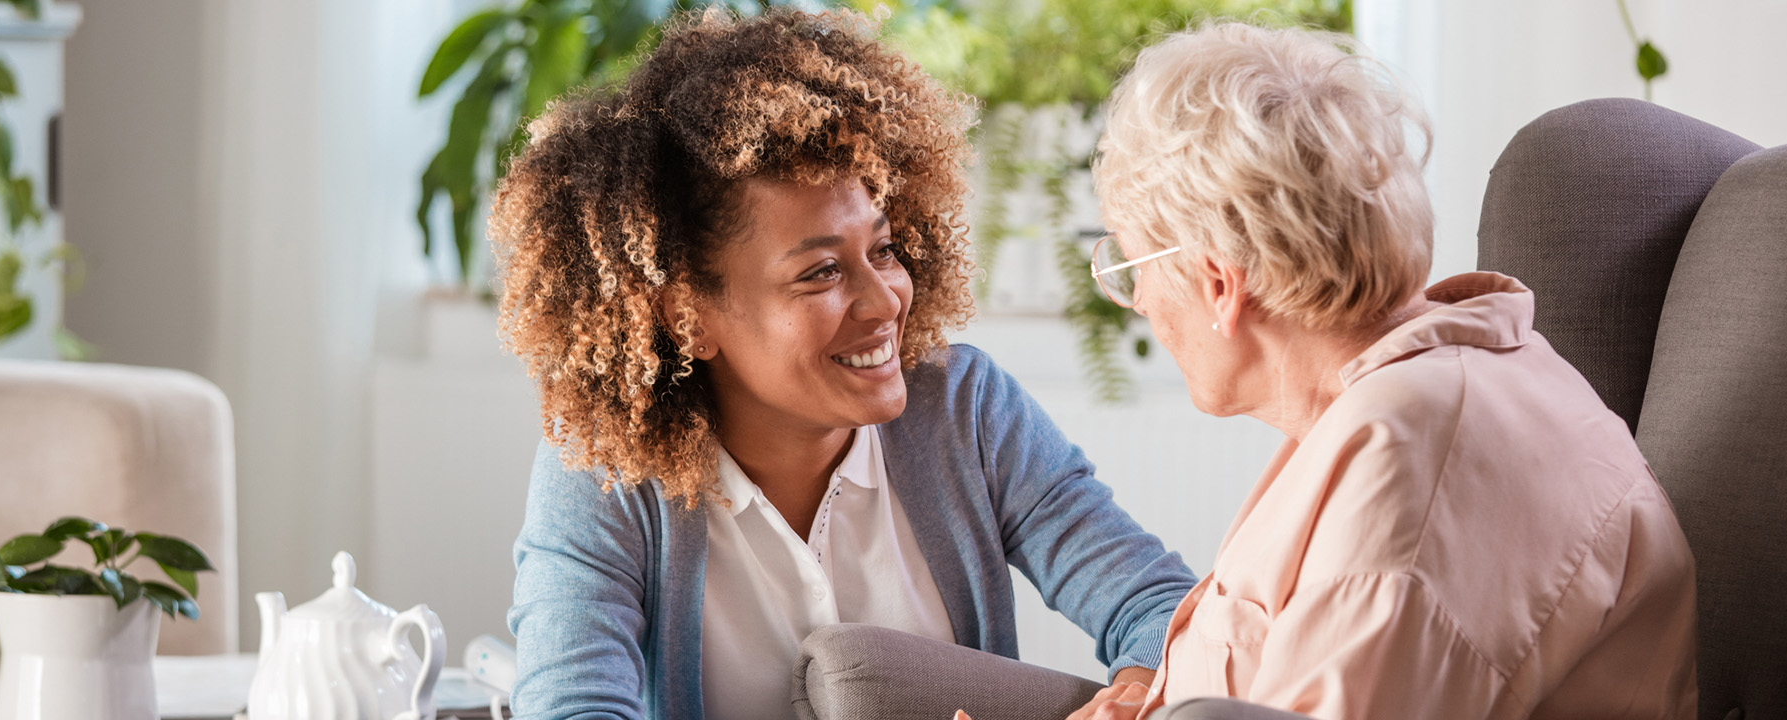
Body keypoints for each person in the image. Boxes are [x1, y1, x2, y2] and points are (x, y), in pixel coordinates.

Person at [490, 8, 1196, 719]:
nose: (885, 300)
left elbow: (1163, 608)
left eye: (883, 251)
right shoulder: (606, 469)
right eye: (821, 272)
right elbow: (570, 707)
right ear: (688, 317)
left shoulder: (965, 410)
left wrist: (1131, 699)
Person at [1067, 20, 1698, 720]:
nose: (1139, 301)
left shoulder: (1410, 458)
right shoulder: (1406, 396)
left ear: (1220, 284)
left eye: (1133, 267)